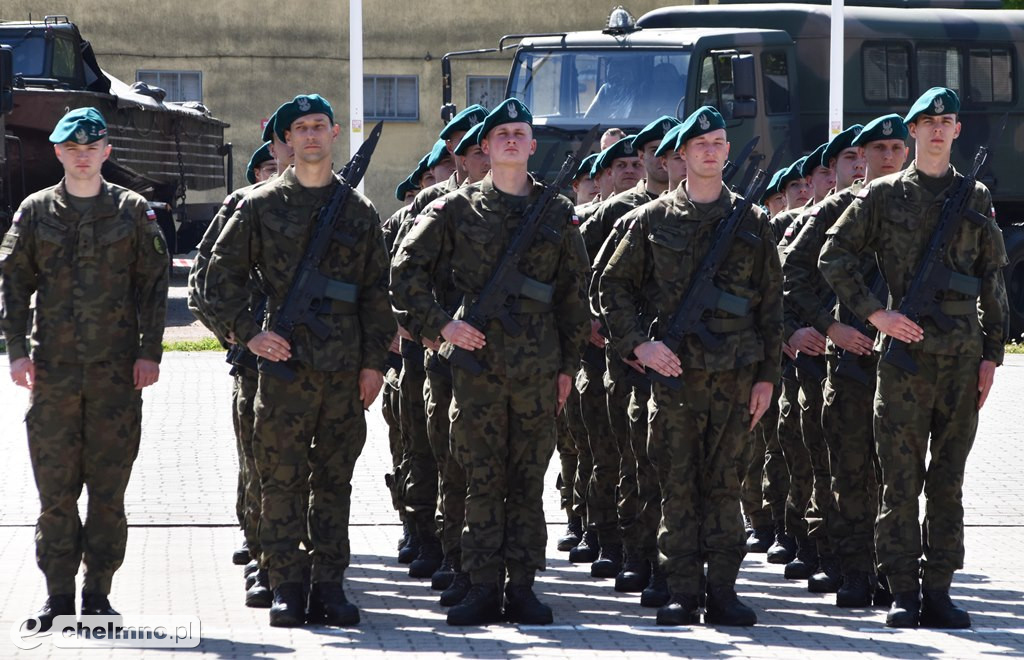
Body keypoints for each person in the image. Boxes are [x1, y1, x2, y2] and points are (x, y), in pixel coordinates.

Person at [391, 98, 590, 626]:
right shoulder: (455, 210)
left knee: (526, 482)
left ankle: (521, 586)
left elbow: (574, 295)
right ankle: (480, 584)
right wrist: (440, 325)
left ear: (531, 145)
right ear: (485, 146)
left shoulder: (555, 211)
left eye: (519, 133)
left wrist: (568, 366)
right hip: (476, 369)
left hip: (538, 370)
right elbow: (405, 271)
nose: (509, 140)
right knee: (481, 479)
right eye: (500, 133)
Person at [819, 87, 1009, 629]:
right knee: (899, 482)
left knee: (948, 482)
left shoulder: (974, 198)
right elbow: (834, 257)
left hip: (961, 360)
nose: (939, 129)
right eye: (928, 121)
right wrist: (876, 314)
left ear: (956, 131)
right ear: (914, 130)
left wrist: (992, 355)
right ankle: (903, 591)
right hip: (904, 363)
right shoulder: (882, 196)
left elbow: (991, 281)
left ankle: (941, 589)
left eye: (948, 120)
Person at [204, 94, 395, 628]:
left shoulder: (358, 212)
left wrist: (373, 364)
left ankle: (330, 586)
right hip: (283, 373)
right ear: (286, 141)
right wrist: (250, 335)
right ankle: (287, 583)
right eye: (299, 128)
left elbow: (377, 295)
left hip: (341, 373)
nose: (310, 135)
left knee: (334, 482)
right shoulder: (260, 206)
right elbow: (215, 285)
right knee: (281, 480)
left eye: (319, 126)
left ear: (334, 134)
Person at [599, 106, 783, 627]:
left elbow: (772, 306)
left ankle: (722, 591)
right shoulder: (650, 221)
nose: (709, 150)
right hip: (676, 379)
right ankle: (681, 589)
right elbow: (609, 289)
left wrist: (768, 376)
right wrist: (639, 346)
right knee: (677, 485)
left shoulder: (752, 222)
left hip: (737, 377)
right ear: (682, 153)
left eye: (719, 142)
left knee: (726, 485)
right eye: (700, 143)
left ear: (727, 152)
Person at [0, 107, 169, 632]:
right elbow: (13, 285)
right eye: (72, 148)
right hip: (52, 373)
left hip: (118, 375)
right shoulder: (35, 211)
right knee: (55, 491)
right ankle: (56, 594)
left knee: (108, 492)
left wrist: (151, 352)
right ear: (57, 153)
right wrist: (17, 352)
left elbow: (154, 285)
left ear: (106, 153)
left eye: (91, 147)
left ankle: (98, 592)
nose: (81, 156)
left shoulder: (132, 211)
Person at [187, 104, 297, 609]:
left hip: (314, 360)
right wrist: (236, 335)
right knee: (260, 464)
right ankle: (262, 552)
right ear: (266, 158)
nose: (290, 154)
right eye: (279, 150)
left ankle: (304, 561)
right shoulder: (242, 206)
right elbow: (202, 284)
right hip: (256, 362)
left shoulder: (333, 203)